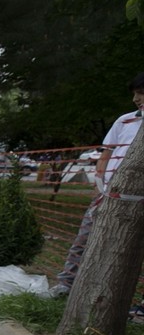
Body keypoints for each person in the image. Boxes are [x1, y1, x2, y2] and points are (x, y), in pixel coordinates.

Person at [52, 72, 144, 296]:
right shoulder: (125, 120)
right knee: (85, 237)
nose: (135, 99)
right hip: (110, 191)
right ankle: (67, 284)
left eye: (141, 93)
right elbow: (106, 152)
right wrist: (99, 180)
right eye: (134, 94)